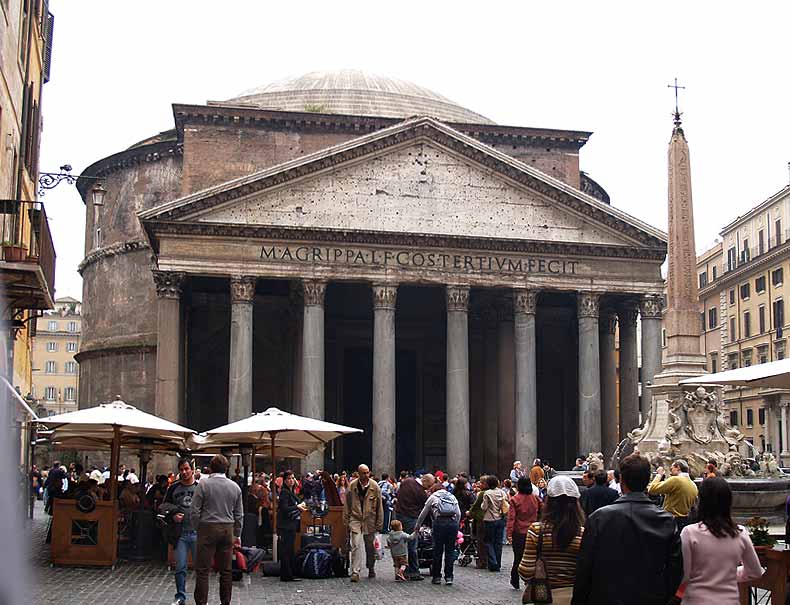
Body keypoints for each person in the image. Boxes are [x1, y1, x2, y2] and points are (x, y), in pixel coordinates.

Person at [572, 453, 682, 605]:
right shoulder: (666, 521)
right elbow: (675, 570)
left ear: (621, 481)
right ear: (647, 481)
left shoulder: (599, 518)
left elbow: (584, 569)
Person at [680, 477, 762, 604]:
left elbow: (684, 575)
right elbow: (755, 571)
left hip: (696, 600)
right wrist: (728, 574)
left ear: (701, 501)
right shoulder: (740, 533)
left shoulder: (689, 533)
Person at [519, 476, 584, 604]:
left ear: (548, 501)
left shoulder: (537, 530)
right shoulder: (583, 533)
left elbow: (525, 571)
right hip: (573, 598)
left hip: (544, 597)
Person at [190, 454, 243, 605]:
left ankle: (201, 602)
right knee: (226, 570)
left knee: (203, 570)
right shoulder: (235, 487)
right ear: (227, 469)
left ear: (211, 468)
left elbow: (194, 510)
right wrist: (237, 534)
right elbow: (239, 515)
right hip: (227, 528)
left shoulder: (203, 485)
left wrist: (197, 527)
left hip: (207, 527)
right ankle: (225, 602)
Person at [163, 458, 199, 605]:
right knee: (180, 567)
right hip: (181, 533)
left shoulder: (200, 487)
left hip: (197, 533)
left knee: (200, 569)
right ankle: (180, 597)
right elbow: (163, 506)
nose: (184, 472)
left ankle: (201, 598)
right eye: (182, 470)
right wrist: (172, 515)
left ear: (192, 470)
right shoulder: (173, 488)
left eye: (186, 469)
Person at [412, 477, 461, 585]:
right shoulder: (452, 496)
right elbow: (458, 513)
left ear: (434, 489)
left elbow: (423, 513)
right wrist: (456, 525)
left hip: (439, 523)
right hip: (452, 524)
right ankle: (449, 577)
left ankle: (437, 577)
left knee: (437, 551)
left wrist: (417, 526)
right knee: (449, 551)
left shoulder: (433, 497)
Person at [343, 464, 383, 582]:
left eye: (367, 473)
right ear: (358, 474)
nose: (366, 475)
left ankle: (371, 567)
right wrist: (346, 520)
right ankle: (355, 571)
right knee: (355, 544)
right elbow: (347, 504)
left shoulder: (375, 486)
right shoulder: (352, 485)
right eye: (363, 473)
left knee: (370, 547)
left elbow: (380, 506)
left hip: (370, 519)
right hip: (355, 518)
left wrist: (379, 523)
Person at [507, 476, 541, 590]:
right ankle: (531, 580)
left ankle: (515, 579)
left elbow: (511, 518)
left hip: (519, 532)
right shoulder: (536, 498)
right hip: (534, 531)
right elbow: (543, 510)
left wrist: (509, 534)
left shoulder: (514, 499)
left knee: (518, 557)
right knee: (535, 557)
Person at [394, 471, 427, 580]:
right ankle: (413, 571)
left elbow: (398, 494)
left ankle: (400, 570)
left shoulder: (407, 481)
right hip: (411, 518)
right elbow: (424, 507)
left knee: (399, 544)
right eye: (429, 486)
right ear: (425, 481)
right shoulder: (421, 492)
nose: (428, 488)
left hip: (399, 515)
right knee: (412, 545)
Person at [647, 459, 698, 530]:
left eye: (671, 468)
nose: (670, 471)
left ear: (678, 468)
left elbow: (651, 489)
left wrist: (659, 475)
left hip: (671, 521)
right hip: (685, 522)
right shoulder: (693, 485)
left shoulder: (675, 480)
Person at [276, 470, 303, 583]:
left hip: (290, 525)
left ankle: (289, 573)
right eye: (289, 479)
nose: (291, 480)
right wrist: (298, 507)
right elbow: (284, 508)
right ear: (285, 480)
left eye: (293, 478)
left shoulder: (291, 491)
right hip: (285, 525)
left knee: (290, 549)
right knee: (286, 550)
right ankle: (287, 575)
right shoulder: (284, 492)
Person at [481, 475, 507, 572]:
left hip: (490, 519)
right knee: (498, 542)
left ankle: (493, 562)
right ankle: (498, 563)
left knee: (489, 542)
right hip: (500, 519)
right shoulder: (502, 492)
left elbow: (484, 507)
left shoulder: (487, 493)